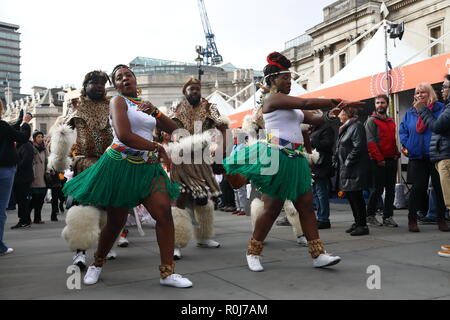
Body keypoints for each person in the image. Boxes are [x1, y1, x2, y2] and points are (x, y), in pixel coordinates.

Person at [223, 52, 362, 271]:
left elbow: (313, 118)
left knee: (306, 207)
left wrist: (331, 114)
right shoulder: (272, 99)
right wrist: (338, 101)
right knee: (271, 208)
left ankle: (318, 254)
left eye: (290, 78)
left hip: (296, 159)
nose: (289, 81)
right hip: (277, 158)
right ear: (272, 81)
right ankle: (253, 251)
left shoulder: (291, 107)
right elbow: (306, 101)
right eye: (284, 78)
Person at [63, 64, 192, 288]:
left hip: (147, 166)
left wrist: (155, 112)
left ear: (135, 80)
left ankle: (167, 273)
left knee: (164, 214)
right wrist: (156, 147)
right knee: (115, 221)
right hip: (120, 165)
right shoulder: (117, 102)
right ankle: (97, 263)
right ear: (115, 85)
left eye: (128, 75)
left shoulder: (145, 105)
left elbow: (177, 131)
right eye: (119, 77)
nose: (125, 79)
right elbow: (124, 135)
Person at [49, 70, 116, 269]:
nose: (98, 86)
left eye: (102, 83)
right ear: (85, 85)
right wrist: (59, 159)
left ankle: (106, 246)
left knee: (108, 207)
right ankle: (80, 252)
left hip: (108, 164)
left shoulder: (111, 105)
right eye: (94, 82)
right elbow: (62, 134)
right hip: (84, 164)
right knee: (83, 207)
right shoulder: (76, 107)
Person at [166, 77, 229, 260]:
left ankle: (204, 237)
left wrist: (220, 153)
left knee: (202, 199)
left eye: (197, 88)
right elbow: (165, 131)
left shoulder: (211, 108)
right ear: (184, 91)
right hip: (181, 159)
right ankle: (176, 243)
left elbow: (223, 128)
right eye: (191, 88)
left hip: (202, 160)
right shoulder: (175, 108)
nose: (195, 91)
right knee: (180, 198)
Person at [399, 83, 448, 232]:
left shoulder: (440, 108)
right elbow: (403, 131)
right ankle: (412, 219)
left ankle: (441, 219)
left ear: (430, 93)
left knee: (439, 189)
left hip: (436, 154)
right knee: (418, 188)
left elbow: (442, 127)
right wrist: (408, 144)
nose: (420, 95)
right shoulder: (410, 112)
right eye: (417, 93)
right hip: (417, 156)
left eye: (423, 92)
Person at [415, 76, 450, 256]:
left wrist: (422, 111)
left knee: (449, 200)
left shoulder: (446, 107)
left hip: (445, 157)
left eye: (445, 86)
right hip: (437, 156)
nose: (443, 89)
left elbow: (437, 126)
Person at [365, 94, 400, 227]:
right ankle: (370, 215)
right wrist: (379, 159)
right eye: (378, 103)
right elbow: (371, 142)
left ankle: (388, 217)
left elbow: (392, 140)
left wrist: (396, 152)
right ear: (375, 105)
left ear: (387, 104)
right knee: (377, 189)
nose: (380, 105)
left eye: (382, 102)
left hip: (391, 159)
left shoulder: (391, 121)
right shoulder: (371, 121)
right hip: (377, 161)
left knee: (391, 190)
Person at [0, 104, 31, 255]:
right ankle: (0, 246)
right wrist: (25, 123)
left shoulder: (5, 127)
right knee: (0, 209)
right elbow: (22, 137)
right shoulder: (2, 126)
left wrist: (18, 121)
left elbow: (9, 129)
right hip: (4, 169)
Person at [335, 106, 370, 236]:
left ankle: (362, 225)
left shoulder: (356, 126)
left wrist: (348, 162)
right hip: (348, 168)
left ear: (347, 114)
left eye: (341, 113)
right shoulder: (347, 128)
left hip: (354, 168)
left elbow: (359, 147)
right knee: (351, 195)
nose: (339, 116)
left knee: (356, 196)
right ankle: (358, 222)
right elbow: (342, 146)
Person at [310, 115, 335, 229]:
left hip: (322, 164)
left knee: (321, 192)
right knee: (316, 192)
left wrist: (311, 140)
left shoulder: (326, 128)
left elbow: (327, 145)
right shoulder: (315, 129)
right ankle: (320, 217)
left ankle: (324, 218)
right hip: (315, 165)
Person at [10, 112, 34, 230]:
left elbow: (26, 160)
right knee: (21, 200)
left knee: (22, 200)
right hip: (21, 177)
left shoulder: (26, 145)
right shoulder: (21, 144)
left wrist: (15, 167)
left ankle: (24, 220)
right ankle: (24, 219)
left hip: (23, 178)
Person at [29, 131, 48, 224]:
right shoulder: (32, 148)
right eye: (39, 137)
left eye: (41, 136)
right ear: (35, 138)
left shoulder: (44, 149)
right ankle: (26, 216)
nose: (41, 138)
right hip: (34, 176)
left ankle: (37, 218)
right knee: (34, 198)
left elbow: (47, 162)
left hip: (43, 177)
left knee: (41, 199)